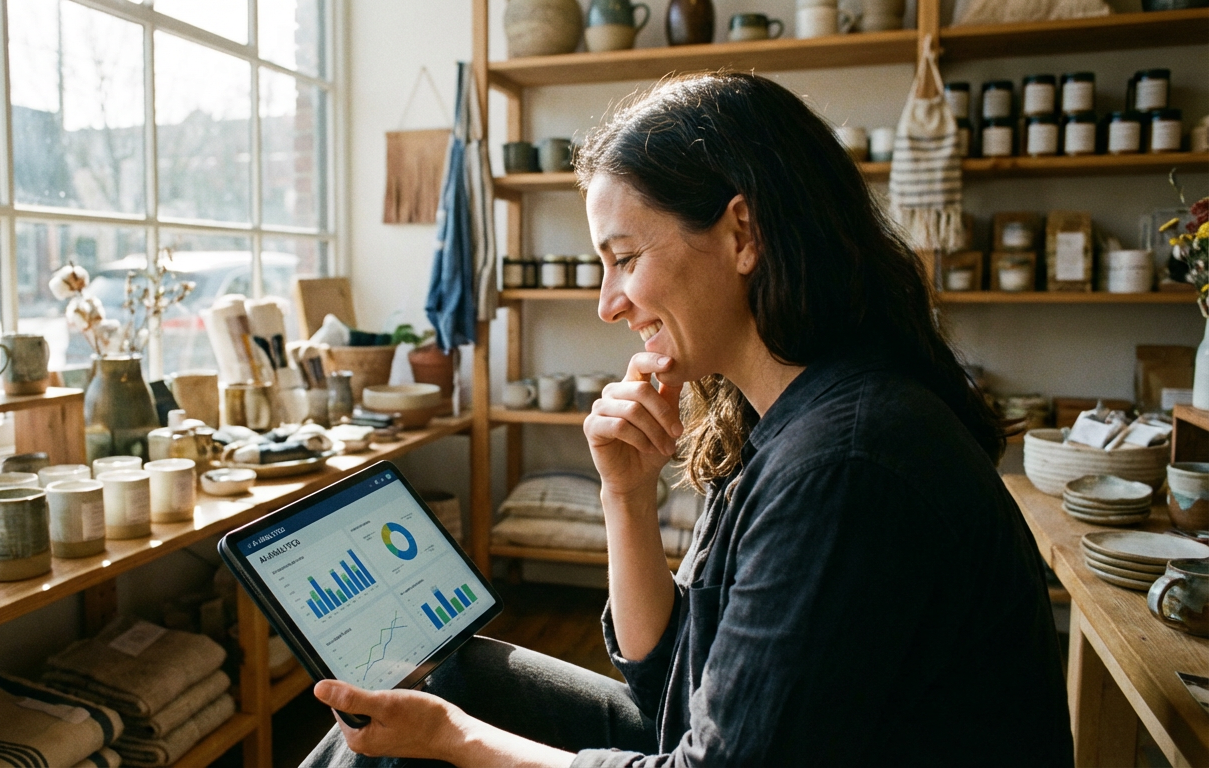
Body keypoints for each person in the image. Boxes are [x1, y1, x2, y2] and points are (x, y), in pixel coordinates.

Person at [304, 72, 1073, 767]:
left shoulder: (847, 465)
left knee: (427, 734)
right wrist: (626, 498)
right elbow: (667, 683)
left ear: (743, 234)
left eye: (625, 257)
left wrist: (456, 740)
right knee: (459, 674)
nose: (608, 303)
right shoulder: (776, 414)